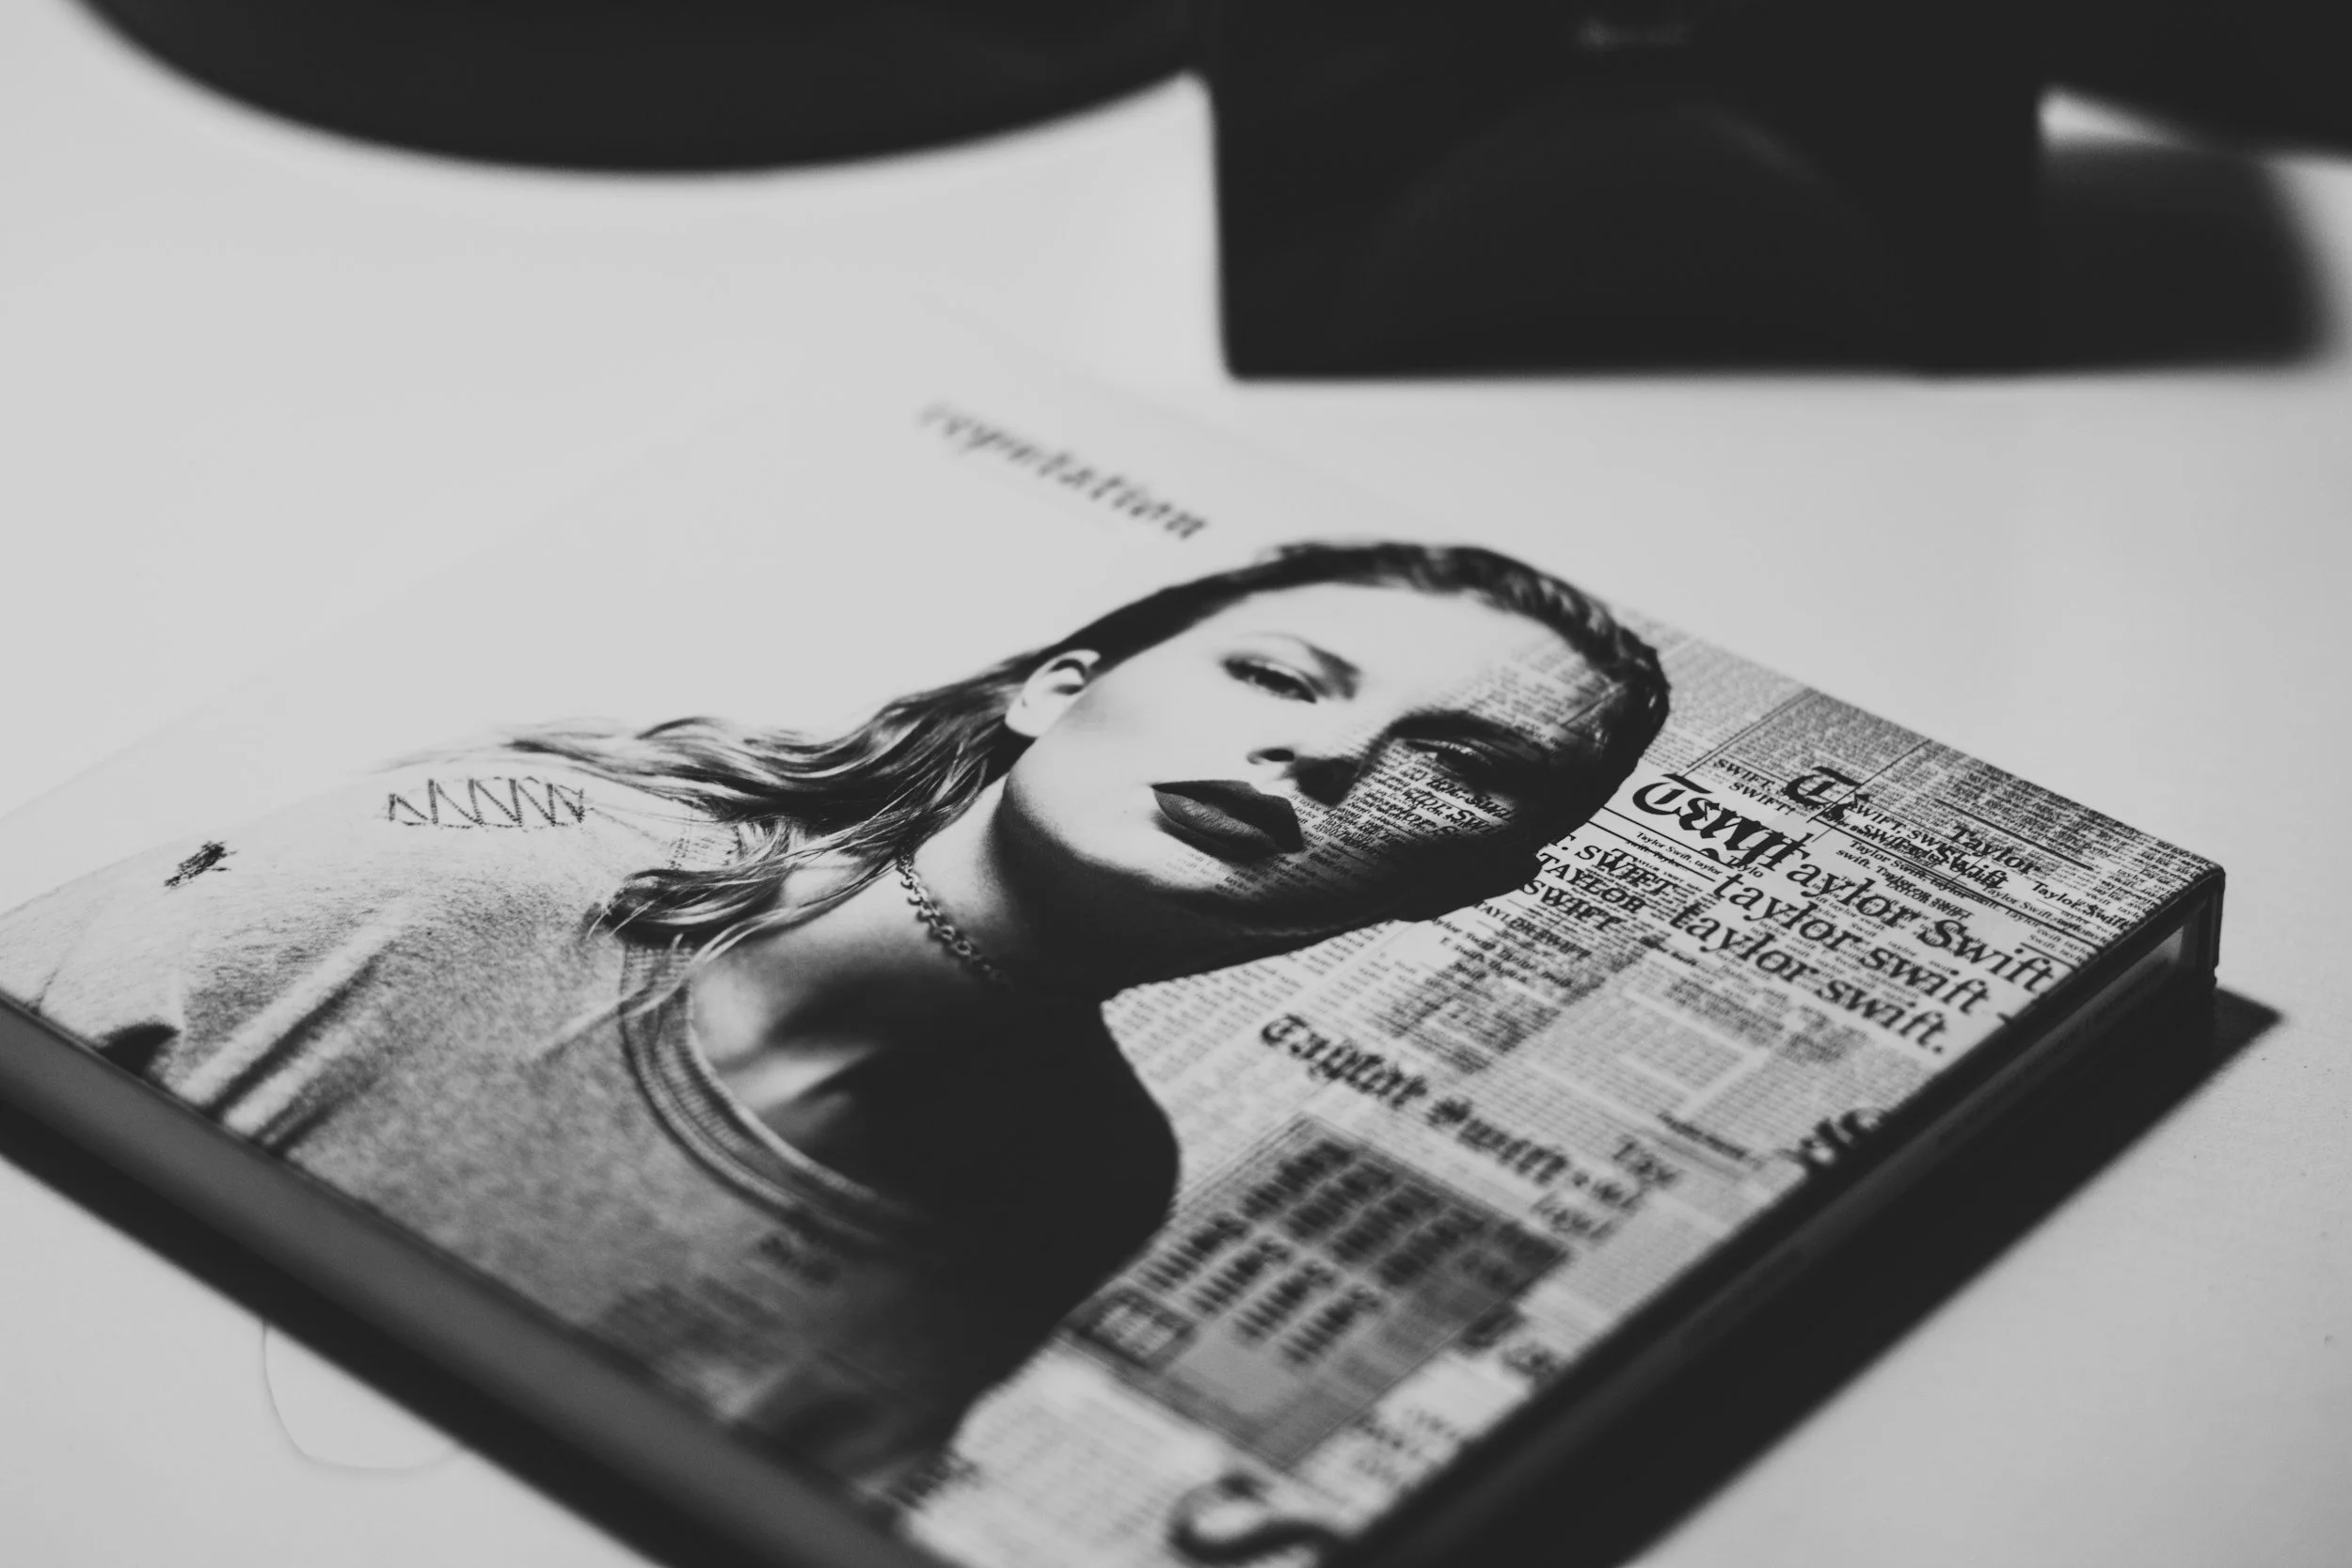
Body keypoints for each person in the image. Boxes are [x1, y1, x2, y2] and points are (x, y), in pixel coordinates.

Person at [0, 540, 1668, 1492]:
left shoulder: (1084, 1190)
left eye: (1459, 765)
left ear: (1470, 883)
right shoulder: (466, 868)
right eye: (1282, 679)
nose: (1322, 757)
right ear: (1058, 687)